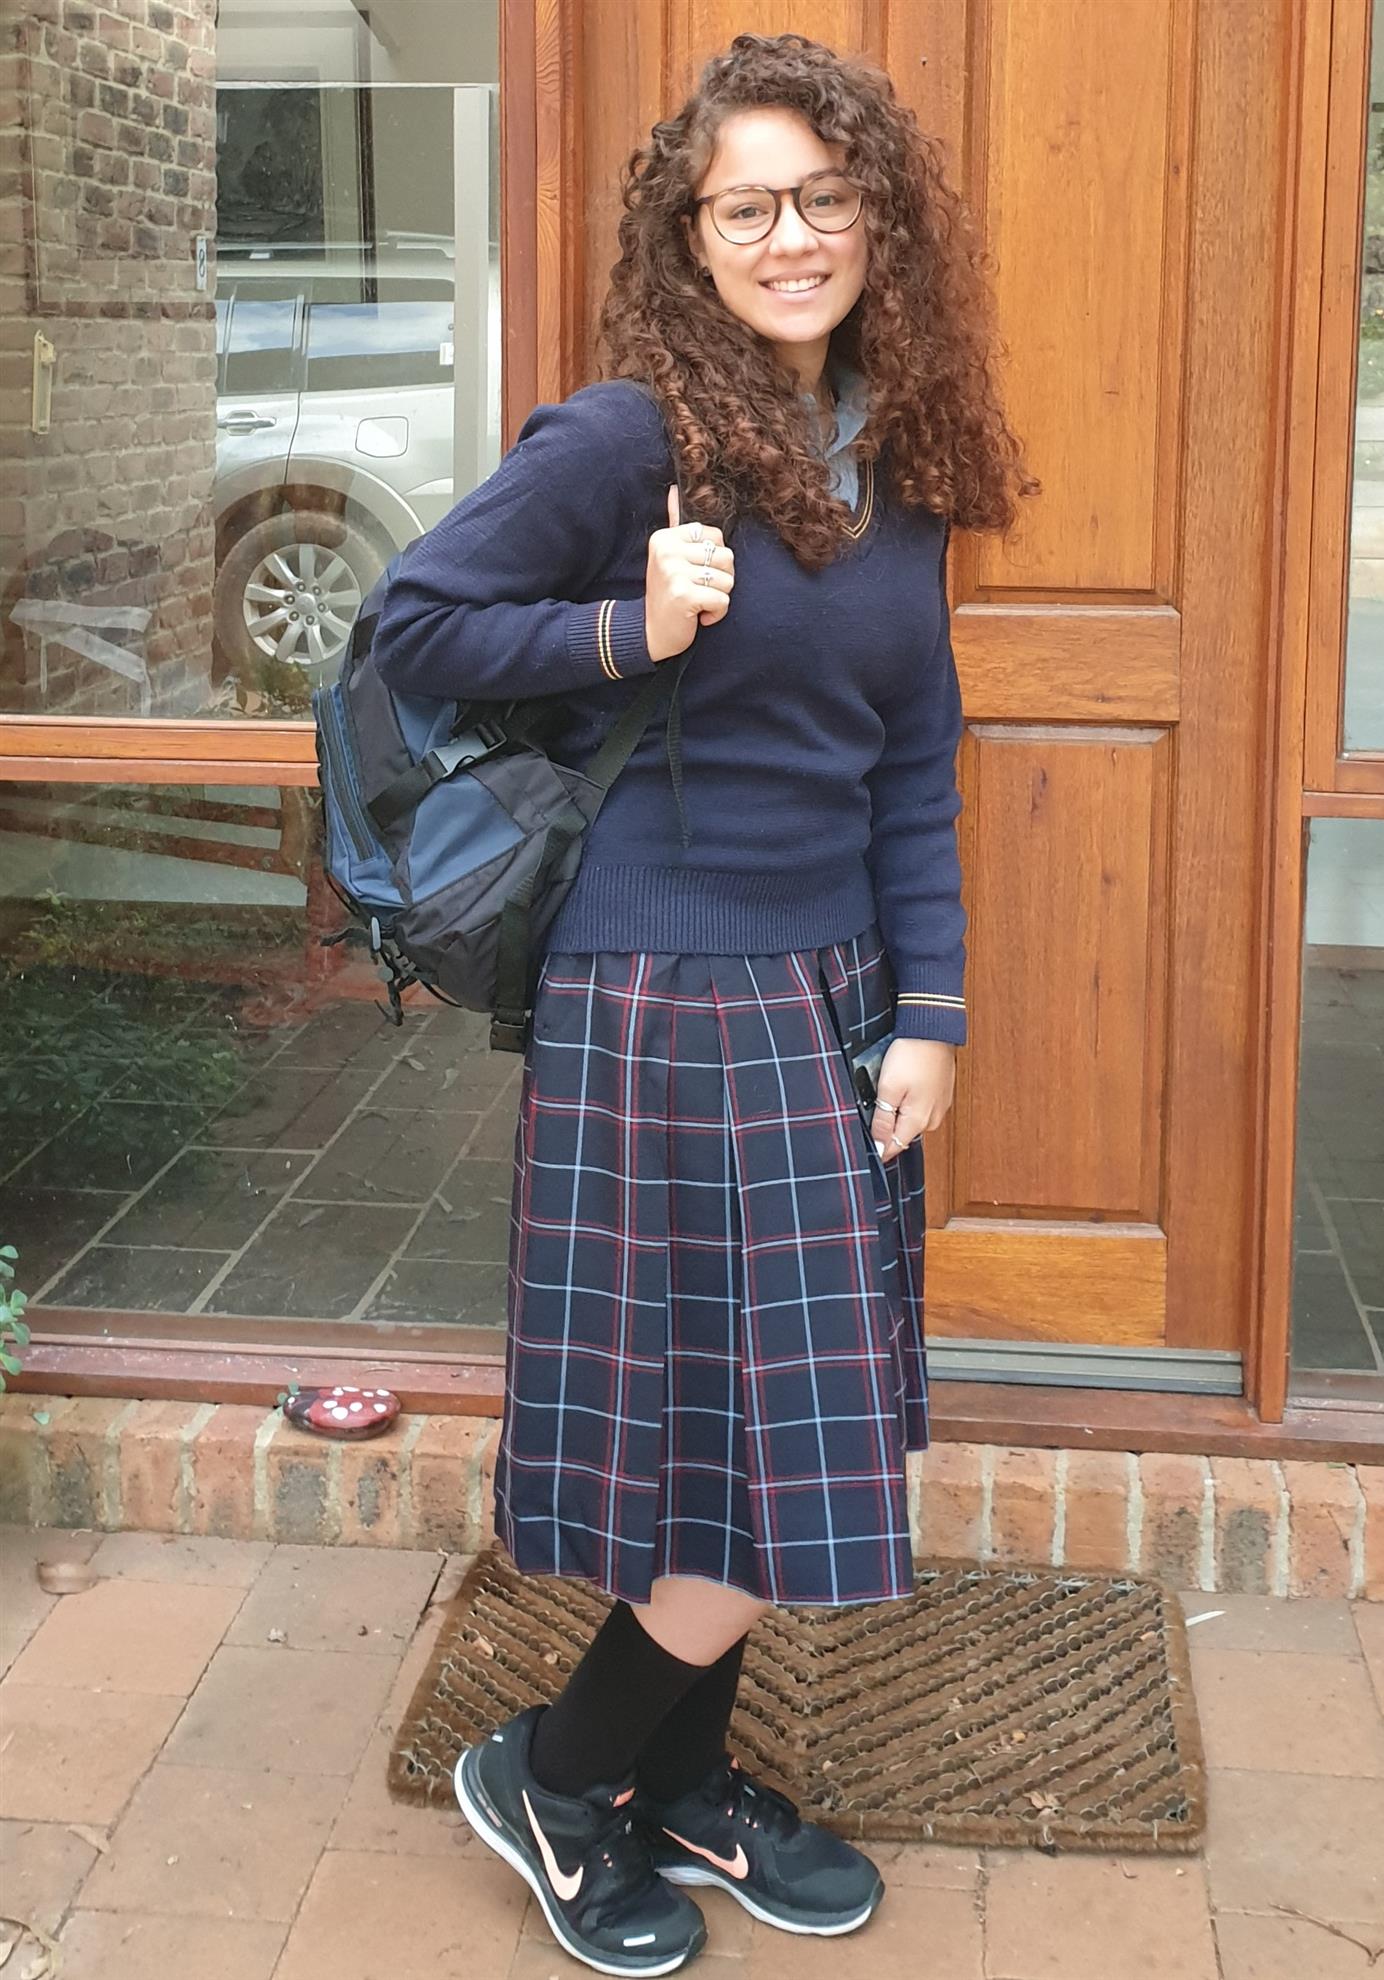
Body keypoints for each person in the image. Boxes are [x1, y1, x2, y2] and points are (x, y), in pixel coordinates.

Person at [371, 31, 1029, 1978]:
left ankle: (675, 1782)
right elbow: (411, 625)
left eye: (825, 198)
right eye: (747, 206)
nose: (791, 236)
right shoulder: (620, 440)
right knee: (770, 1440)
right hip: (662, 995)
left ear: (879, 220)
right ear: (690, 233)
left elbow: (912, 758)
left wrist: (934, 1004)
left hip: (829, 986)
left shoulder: (895, 465)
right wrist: (627, 625)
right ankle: (560, 1778)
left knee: (749, 1433)